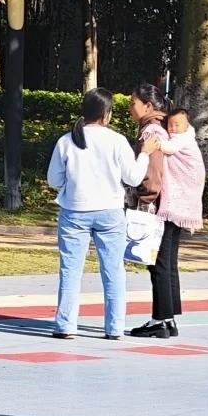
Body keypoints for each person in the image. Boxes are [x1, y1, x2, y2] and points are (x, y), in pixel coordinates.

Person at [47, 88, 144, 341]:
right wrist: (144, 154)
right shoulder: (117, 141)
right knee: (113, 271)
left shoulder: (67, 140)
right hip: (110, 212)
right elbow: (133, 177)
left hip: (74, 211)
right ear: (107, 115)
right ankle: (114, 328)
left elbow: (53, 179)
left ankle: (65, 325)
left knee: (70, 270)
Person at [128, 84, 205, 340]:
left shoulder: (151, 132)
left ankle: (159, 320)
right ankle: (168, 318)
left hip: (161, 205)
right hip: (177, 205)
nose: (130, 108)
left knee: (158, 264)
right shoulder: (167, 128)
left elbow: (152, 171)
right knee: (168, 263)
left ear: (148, 106)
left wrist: (144, 200)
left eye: (133, 103)